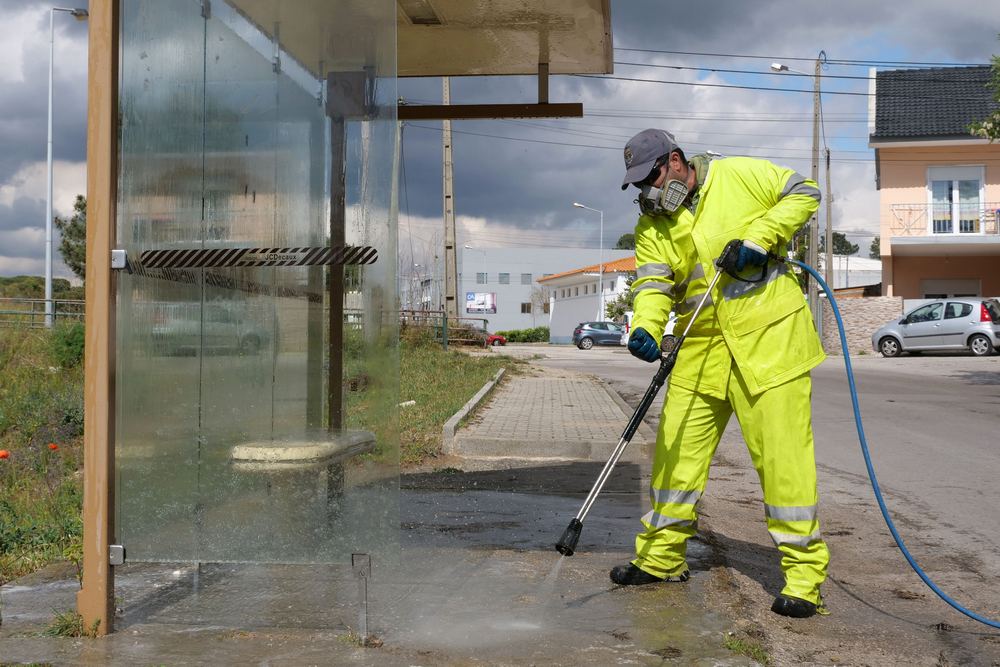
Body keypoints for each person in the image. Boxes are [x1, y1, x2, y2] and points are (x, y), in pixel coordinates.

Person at [613, 128, 829, 619]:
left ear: (675, 161)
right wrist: (645, 327)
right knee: (674, 458)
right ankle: (661, 558)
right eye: (639, 184)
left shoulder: (739, 175)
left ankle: (803, 578)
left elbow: (804, 192)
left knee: (783, 464)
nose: (649, 190)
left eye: (652, 177)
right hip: (700, 349)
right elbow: (653, 285)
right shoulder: (653, 226)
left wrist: (759, 239)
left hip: (769, 341)